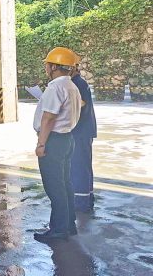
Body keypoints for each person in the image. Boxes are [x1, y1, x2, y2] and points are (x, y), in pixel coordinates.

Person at [33, 47, 82, 242]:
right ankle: (69, 224)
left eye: (47, 64)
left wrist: (41, 144)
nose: (46, 68)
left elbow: (48, 118)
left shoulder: (55, 87)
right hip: (67, 139)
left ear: (54, 66)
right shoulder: (72, 86)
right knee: (65, 184)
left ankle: (59, 230)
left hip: (53, 141)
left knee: (55, 187)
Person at [70, 54, 98, 213]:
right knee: (83, 165)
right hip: (83, 131)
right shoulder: (78, 83)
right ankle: (87, 198)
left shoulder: (77, 84)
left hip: (80, 131)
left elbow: (81, 108)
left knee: (79, 166)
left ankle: (81, 202)